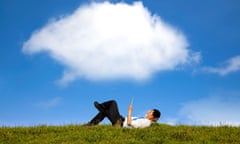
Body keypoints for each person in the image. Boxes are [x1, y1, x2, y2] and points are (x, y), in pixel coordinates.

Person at [86, 100, 161, 128]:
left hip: (120, 123)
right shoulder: (145, 120)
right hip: (121, 119)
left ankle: (101, 107)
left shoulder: (146, 122)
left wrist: (130, 111)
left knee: (113, 103)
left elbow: (129, 123)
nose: (148, 111)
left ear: (152, 116)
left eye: (150, 112)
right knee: (105, 112)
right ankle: (91, 124)